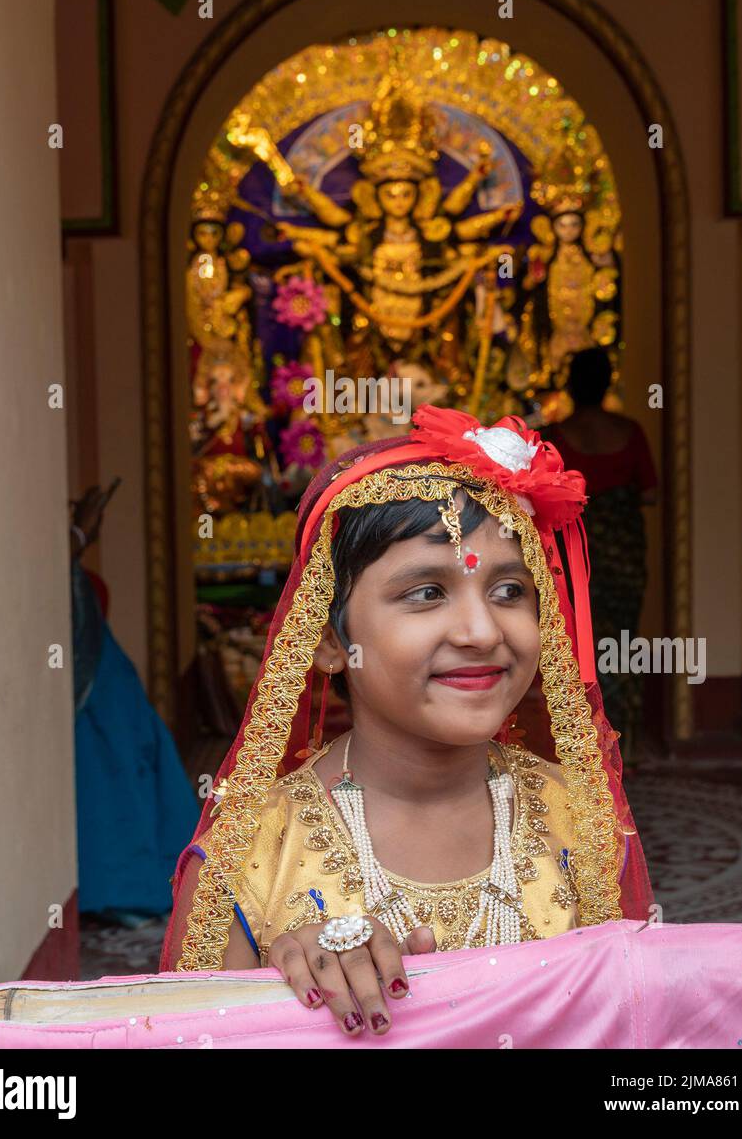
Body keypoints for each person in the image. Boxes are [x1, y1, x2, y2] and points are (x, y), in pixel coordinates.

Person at [160, 404, 653, 1039]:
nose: (481, 632)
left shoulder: (581, 823)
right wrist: (283, 989)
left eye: (509, 591)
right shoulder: (246, 860)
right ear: (329, 639)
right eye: (426, 593)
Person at [71, 485, 199, 923]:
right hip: (96, 701)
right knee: (111, 775)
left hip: (112, 694)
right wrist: (78, 533)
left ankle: (149, 885)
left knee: (132, 764)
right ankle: (122, 892)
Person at [544, 349, 658, 763]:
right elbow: (650, 492)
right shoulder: (630, 432)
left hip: (575, 552)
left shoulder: (553, 437)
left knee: (574, 638)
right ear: (608, 383)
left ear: (570, 386)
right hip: (624, 555)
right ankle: (629, 736)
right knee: (624, 638)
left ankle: (578, 740)